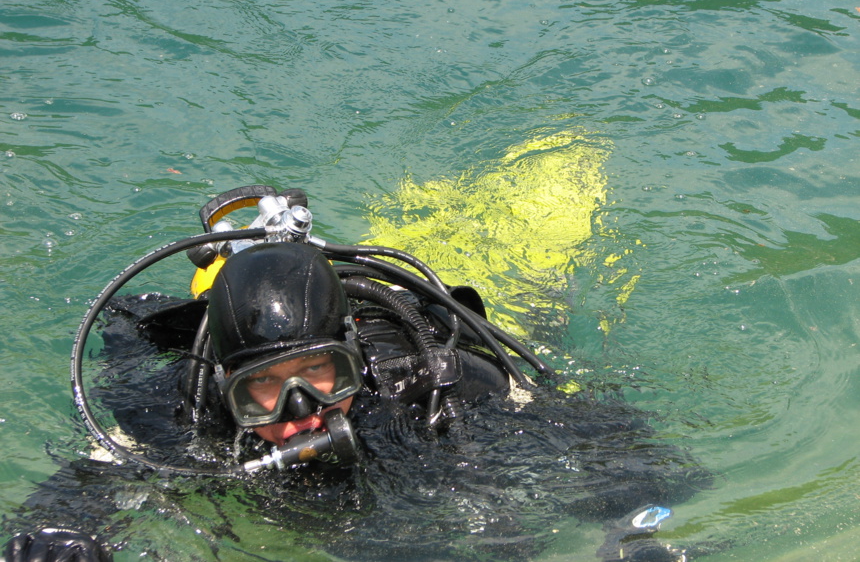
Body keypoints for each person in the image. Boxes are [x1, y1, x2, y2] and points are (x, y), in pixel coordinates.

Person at [3, 186, 708, 562]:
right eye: (265, 390)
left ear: (354, 361)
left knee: (546, 316)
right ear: (226, 390)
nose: (303, 409)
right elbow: (87, 480)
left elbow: (606, 440)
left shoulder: (419, 379)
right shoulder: (182, 415)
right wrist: (60, 535)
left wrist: (635, 529)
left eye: (323, 375)